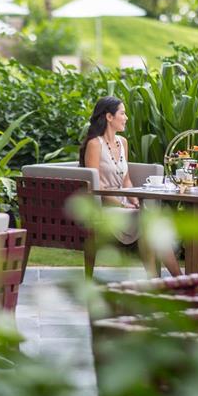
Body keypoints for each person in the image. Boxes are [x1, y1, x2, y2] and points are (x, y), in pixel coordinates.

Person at [80, 96, 181, 277]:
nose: (126, 118)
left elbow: (126, 179)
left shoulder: (122, 142)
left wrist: (134, 201)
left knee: (149, 219)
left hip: (124, 204)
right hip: (104, 206)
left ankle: (163, 280)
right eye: (122, 113)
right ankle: (175, 280)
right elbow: (95, 185)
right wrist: (121, 204)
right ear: (109, 117)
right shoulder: (94, 144)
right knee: (148, 220)